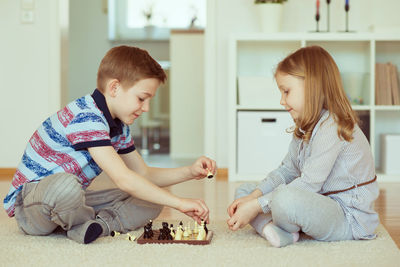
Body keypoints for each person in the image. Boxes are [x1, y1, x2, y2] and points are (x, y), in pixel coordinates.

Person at [4, 45, 216, 244]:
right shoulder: (86, 116)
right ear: (114, 87)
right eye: (142, 98)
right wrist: (180, 204)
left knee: (153, 197)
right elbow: (123, 179)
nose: (146, 108)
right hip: (33, 206)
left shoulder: (119, 127)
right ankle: (82, 220)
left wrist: (190, 171)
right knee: (66, 186)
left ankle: (96, 225)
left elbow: (143, 174)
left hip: (72, 202)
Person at [227, 46, 379, 248]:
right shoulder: (306, 125)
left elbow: (309, 185)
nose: (282, 101)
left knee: (282, 198)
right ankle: (272, 229)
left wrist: (257, 206)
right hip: (316, 203)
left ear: (312, 87)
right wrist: (254, 198)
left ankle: (275, 224)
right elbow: (286, 171)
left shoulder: (332, 126)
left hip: (347, 217)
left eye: (286, 91)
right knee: (246, 190)